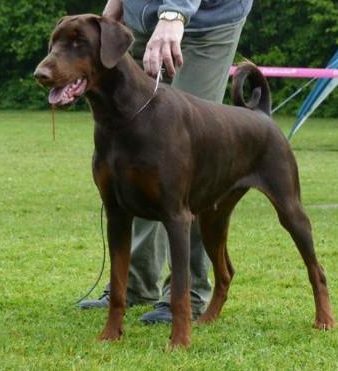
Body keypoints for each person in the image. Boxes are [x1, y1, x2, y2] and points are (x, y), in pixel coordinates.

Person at [79, 0, 253, 323]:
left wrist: (175, 12)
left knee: (183, 154)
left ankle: (190, 292)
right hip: (143, 17)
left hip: (206, 20)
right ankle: (135, 284)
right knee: (139, 149)